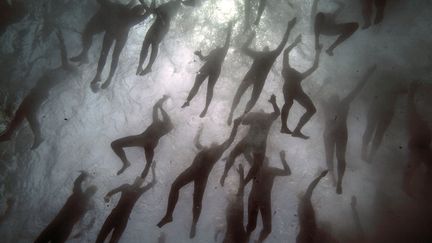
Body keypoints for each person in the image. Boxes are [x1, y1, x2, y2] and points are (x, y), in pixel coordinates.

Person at [157, 118, 242, 238]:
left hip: (201, 176)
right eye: (212, 143)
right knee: (175, 186)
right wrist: (200, 130)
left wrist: (235, 125)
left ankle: (193, 224)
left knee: (196, 201)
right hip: (192, 171)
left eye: (214, 144)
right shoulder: (205, 149)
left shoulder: (218, 150)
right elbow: (196, 142)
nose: (212, 144)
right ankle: (168, 215)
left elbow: (231, 139)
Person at [0, 31, 77, 150]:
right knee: (22, 112)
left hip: (39, 94)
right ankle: (9, 134)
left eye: (72, 66)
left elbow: (64, 56)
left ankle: (35, 136)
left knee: (28, 113)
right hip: (36, 93)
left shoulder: (64, 72)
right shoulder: (61, 72)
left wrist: (61, 41)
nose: (70, 64)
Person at [71, 0, 153, 92]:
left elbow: (109, 5)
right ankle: (107, 77)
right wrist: (147, 5)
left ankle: (99, 75)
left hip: (112, 32)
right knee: (114, 56)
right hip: (119, 35)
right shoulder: (135, 18)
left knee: (105, 54)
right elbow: (148, 13)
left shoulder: (124, 10)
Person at [227, 17, 296, 125]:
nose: (266, 48)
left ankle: (235, 113)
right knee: (249, 98)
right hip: (259, 79)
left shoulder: (260, 54)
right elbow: (282, 43)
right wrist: (289, 28)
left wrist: (251, 37)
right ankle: (239, 114)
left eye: (265, 48)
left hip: (253, 76)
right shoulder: (271, 55)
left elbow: (244, 48)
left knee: (242, 95)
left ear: (264, 50)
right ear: (265, 50)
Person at [321, 66, 376, 194]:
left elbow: (314, 95)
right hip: (338, 133)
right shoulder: (342, 103)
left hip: (332, 134)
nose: (334, 100)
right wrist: (368, 74)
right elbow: (357, 89)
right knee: (339, 158)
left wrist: (324, 85)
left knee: (333, 158)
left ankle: (336, 180)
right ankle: (337, 180)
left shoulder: (331, 104)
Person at [221, 94, 280, 186]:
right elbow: (277, 113)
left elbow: (243, 122)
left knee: (234, 154)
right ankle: (243, 183)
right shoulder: (268, 117)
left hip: (249, 140)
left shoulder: (257, 116)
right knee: (257, 165)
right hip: (259, 143)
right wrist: (274, 103)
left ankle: (225, 174)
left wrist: (245, 117)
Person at [111, 95, 173, 178]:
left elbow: (158, 109)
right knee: (114, 144)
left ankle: (135, 166)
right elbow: (155, 107)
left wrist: (161, 104)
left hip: (148, 143)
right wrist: (162, 100)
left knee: (148, 163)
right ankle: (126, 163)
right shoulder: (157, 123)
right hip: (142, 139)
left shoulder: (163, 125)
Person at [182, 22, 233, 117]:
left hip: (211, 68)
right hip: (213, 68)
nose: (217, 45)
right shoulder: (214, 51)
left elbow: (228, 40)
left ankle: (204, 107)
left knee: (205, 87)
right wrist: (199, 54)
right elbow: (204, 59)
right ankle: (188, 101)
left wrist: (230, 29)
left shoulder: (224, 49)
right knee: (200, 85)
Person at [95, 164, 156, 243]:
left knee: (112, 240)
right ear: (135, 179)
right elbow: (111, 192)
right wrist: (107, 197)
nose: (139, 181)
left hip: (123, 219)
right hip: (115, 215)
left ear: (141, 183)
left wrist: (153, 169)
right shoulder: (126, 186)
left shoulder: (139, 191)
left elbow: (153, 182)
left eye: (141, 181)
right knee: (101, 237)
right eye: (139, 179)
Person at [34, 171, 97, 243]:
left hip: (57, 224)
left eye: (90, 191)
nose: (88, 192)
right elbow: (92, 220)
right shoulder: (88, 204)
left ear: (87, 190)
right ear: (92, 195)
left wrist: (83, 175)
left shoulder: (79, 194)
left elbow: (76, 183)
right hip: (64, 229)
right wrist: (82, 232)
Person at [136, 0, 195, 76]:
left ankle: (148, 67)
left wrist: (154, 8)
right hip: (158, 25)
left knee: (154, 44)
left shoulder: (176, 4)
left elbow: (159, 12)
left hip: (162, 26)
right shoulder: (172, 4)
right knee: (146, 43)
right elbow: (154, 11)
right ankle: (141, 65)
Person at [280, 35, 322, 139]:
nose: (294, 68)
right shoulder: (289, 71)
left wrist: (296, 42)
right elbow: (285, 52)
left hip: (296, 91)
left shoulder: (293, 73)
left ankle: (296, 130)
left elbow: (314, 67)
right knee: (289, 103)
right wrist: (317, 52)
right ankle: (285, 127)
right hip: (292, 90)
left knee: (311, 109)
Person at [246, 151, 291, 243]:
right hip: (255, 199)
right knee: (252, 226)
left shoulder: (271, 170)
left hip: (263, 201)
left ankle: (257, 241)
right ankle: (246, 239)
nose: (264, 162)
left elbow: (288, 172)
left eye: (265, 161)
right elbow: (246, 154)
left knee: (266, 229)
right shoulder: (257, 167)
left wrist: (283, 159)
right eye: (262, 160)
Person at [361, 80, 407, 162]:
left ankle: (368, 154)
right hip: (380, 107)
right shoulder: (393, 77)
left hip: (382, 108)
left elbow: (404, 90)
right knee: (373, 131)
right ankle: (366, 153)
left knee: (374, 131)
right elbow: (404, 90)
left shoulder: (390, 76)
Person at [403, 81, 432, 199]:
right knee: (412, 167)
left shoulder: (425, 126)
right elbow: (410, 106)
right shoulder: (417, 121)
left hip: (423, 148)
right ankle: (409, 186)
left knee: (418, 166)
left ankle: (425, 189)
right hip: (417, 148)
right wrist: (411, 91)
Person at [297, 170, 340, 243]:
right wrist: (320, 177)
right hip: (308, 235)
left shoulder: (302, 206)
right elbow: (310, 188)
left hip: (306, 235)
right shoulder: (305, 200)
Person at [222, 164, 249, 243]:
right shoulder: (236, 203)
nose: (229, 196)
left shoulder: (237, 202)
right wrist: (241, 174)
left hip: (235, 236)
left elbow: (241, 189)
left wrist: (241, 174)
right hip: (237, 235)